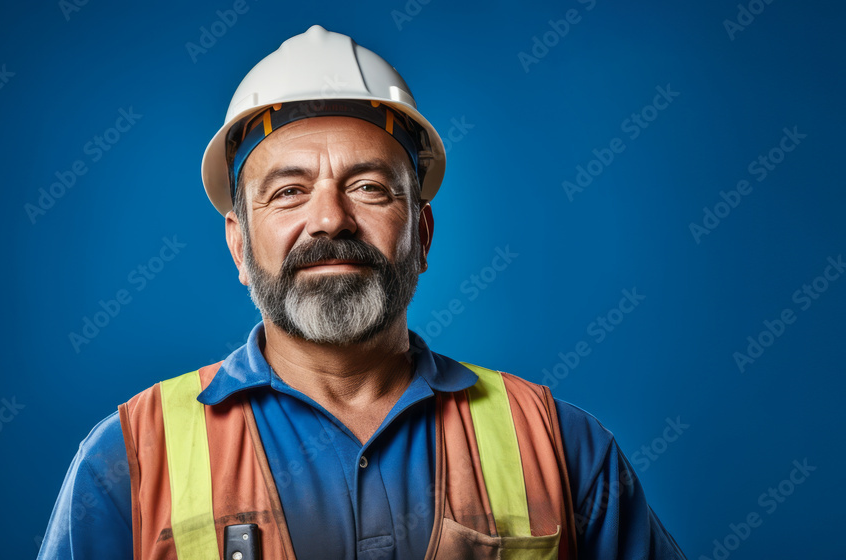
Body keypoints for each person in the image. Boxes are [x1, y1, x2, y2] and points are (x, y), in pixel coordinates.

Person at [37, 25, 687, 560]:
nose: (330, 219)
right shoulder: (128, 461)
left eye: (370, 187)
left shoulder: (561, 448)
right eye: (289, 191)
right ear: (238, 245)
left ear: (423, 233)